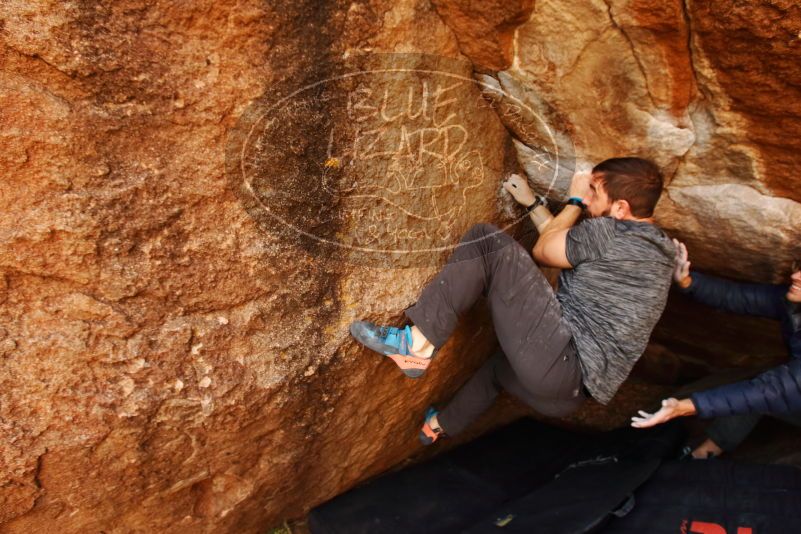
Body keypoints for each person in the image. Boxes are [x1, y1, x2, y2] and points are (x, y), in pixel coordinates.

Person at [350, 157, 675, 445]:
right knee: (498, 370)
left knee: (486, 242)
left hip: (558, 361)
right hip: (567, 396)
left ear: (621, 209)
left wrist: (575, 200)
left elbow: (544, 251)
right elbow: (563, 244)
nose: (589, 199)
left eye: (595, 192)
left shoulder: (609, 232)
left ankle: (416, 347)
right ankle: (438, 427)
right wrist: (533, 204)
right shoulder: (661, 250)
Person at [631, 243, 801, 458]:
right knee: (756, 391)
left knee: (760, 392)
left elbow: (775, 390)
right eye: (799, 266)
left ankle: (702, 458)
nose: (795, 275)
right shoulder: (791, 302)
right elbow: (738, 296)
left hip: (793, 387)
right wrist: (688, 282)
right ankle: (702, 454)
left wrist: (686, 406)